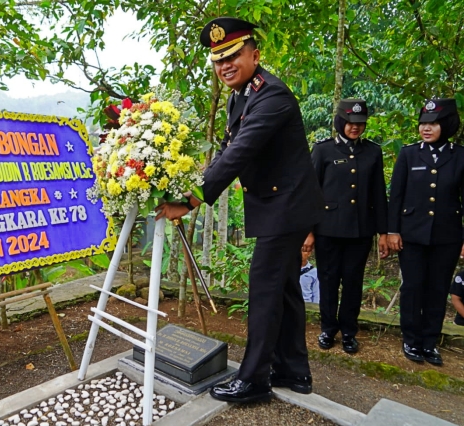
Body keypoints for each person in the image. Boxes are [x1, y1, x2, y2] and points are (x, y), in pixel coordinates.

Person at [155, 17, 324, 403]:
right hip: (279, 206)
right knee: (283, 291)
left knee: (264, 289)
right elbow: (225, 153)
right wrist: (191, 185)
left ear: (255, 55)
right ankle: (294, 372)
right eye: (218, 61)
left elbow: (240, 153)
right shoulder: (242, 95)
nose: (225, 66)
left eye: (232, 56)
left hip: (288, 208)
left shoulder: (273, 96)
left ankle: (254, 379)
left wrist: (189, 201)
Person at [303, 99, 389, 355]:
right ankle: (328, 329)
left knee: (353, 282)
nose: (355, 128)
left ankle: (349, 331)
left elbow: (378, 195)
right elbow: (311, 193)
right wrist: (308, 231)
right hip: (328, 229)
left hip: (360, 230)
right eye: (351, 123)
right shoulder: (323, 150)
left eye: (360, 124)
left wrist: (383, 232)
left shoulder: (373, 152)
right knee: (328, 281)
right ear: (340, 122)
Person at [387, 98, 464, 366]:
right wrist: (392, 231)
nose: (426, 129)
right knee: (413, 287)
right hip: (412, 235)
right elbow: (395, 196)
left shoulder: (460, 155)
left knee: (437, 288)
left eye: (432, 124)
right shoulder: (409, 154)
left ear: (446, 125)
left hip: (448, 236)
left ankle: (430, 342)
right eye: (423, 124)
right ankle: (411, 340)